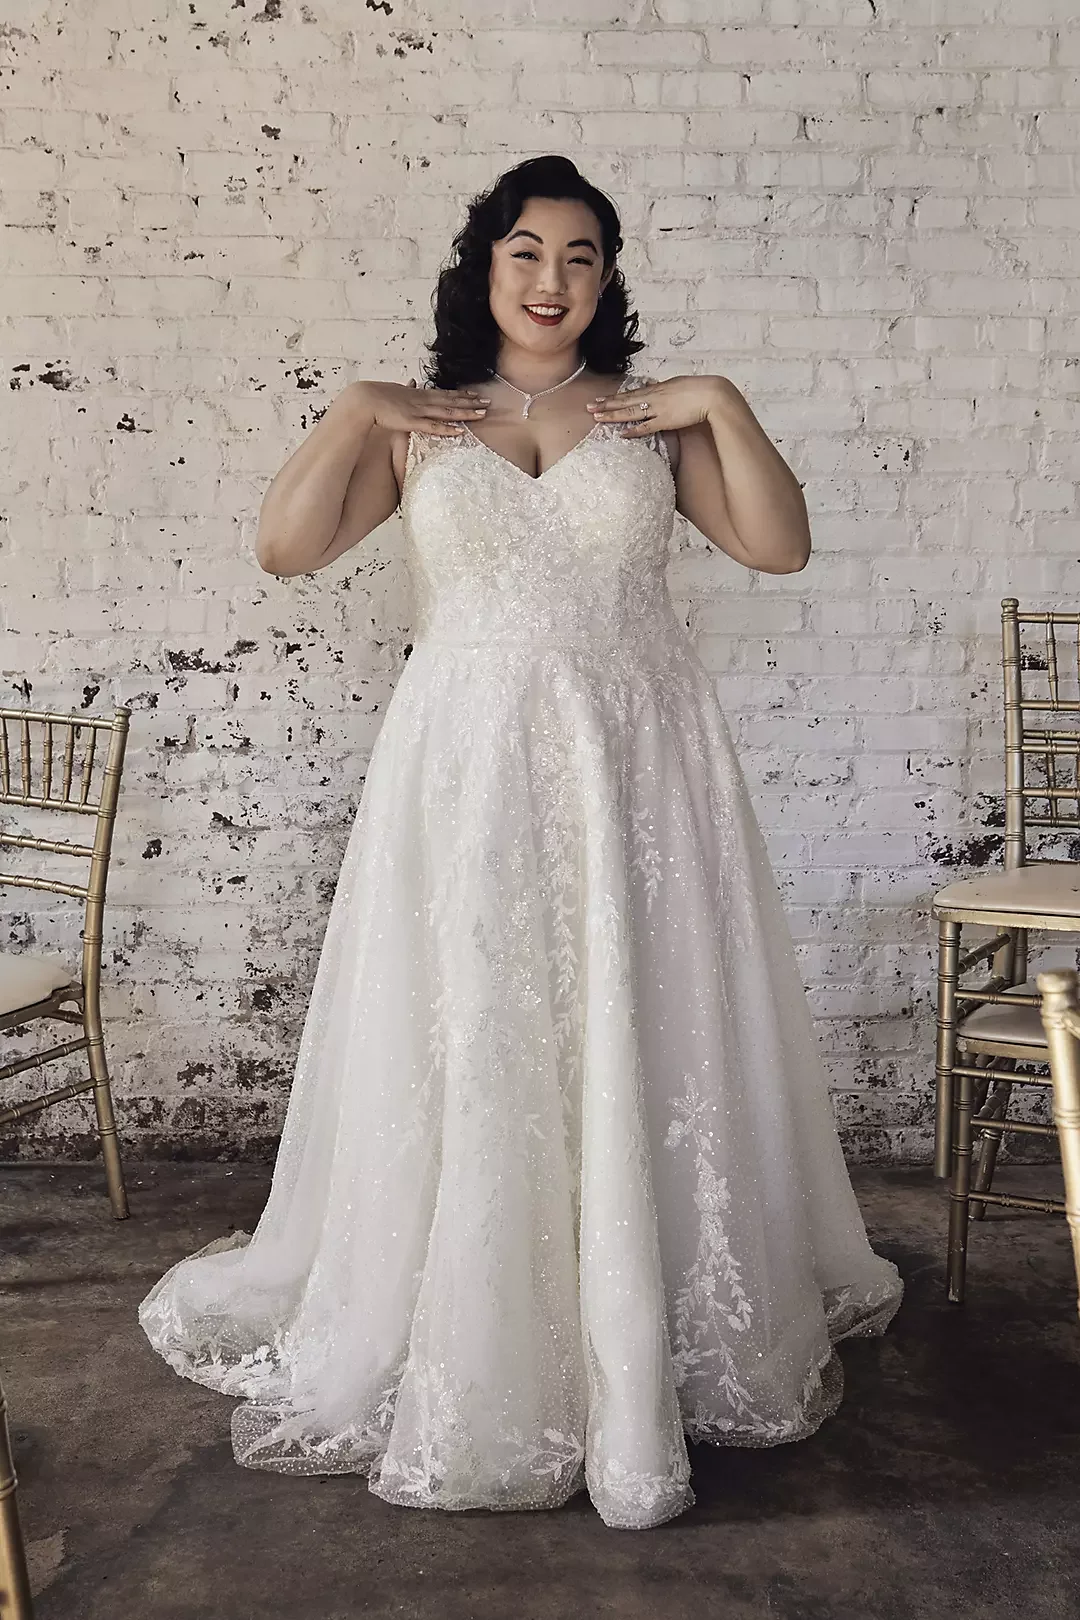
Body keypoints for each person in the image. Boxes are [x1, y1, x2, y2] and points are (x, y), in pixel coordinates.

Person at [139, 154, 902, 1531]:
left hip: (638, 772)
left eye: (584, 258)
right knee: (480, 1033)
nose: (555, 282)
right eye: (528, 254)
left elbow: (778, 548)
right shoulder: (420, 422)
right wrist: (357, 408)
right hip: (470, 771)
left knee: (640, 1032)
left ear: (609, 279)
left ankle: (652, 1328)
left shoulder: (652, 418)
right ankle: (489, 1332)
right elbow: (285, 550)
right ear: (484, 268)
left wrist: (725, 404)